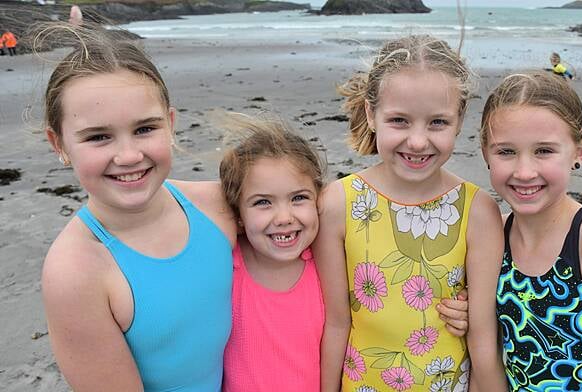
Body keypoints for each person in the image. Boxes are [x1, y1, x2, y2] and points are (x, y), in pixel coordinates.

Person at [39, 23, 236, 391]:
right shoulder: (76, 272)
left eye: (145, 129)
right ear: (59, 144)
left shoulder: (217, 204)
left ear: (171, 125)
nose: (129, 155)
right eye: (98, 137)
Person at [315, 34, 506, 392]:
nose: (418, 141)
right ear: (372, 114)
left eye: (437, 123)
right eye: (400, 121)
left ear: (460, 119)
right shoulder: (336, 203)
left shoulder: (478, 210)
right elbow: (337, 323)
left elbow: (482, 337)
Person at [480, 71, 582, 391]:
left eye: (544, 151)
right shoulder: (491, 236)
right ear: (485, 153)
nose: (524, 171)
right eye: (506, 151)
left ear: (579, 152)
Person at [218, 116, 326, 390]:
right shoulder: (224, 266)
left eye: (298, 198)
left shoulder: (330, 265)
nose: (283, 217)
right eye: (263, 202)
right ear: (238, 214)